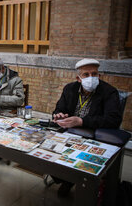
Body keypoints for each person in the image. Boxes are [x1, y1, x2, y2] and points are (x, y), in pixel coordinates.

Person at [51, 58, 122, 197]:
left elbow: (113, 119)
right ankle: (67, 180)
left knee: (84, 164)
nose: (91, 78)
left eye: (94, 74)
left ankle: (78, 182)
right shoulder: (69, 88)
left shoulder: (109, 92)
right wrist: (58, 115)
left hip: (94, 134)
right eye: (86, 75)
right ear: (78, 78)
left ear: (99, 76)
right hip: (70, 132)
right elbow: (59, 108)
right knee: (51, 155)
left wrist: (82, 121)